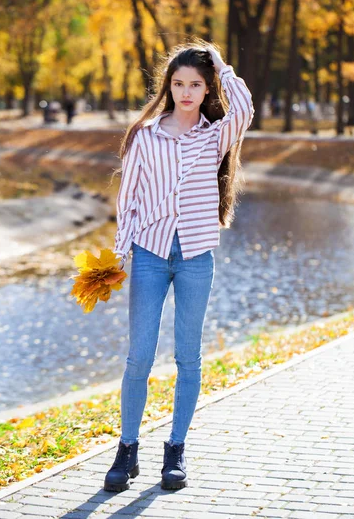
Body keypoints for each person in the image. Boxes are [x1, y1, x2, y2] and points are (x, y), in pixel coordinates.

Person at [104, 38, 254, 493]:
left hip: (195, 258)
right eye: (178, 83)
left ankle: (175, 449)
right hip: (149, 255)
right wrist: (119, 252)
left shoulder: (214, 135)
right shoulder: (144, 136)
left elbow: (244, 109)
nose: (186, 91)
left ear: (206, 89)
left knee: (188, 357)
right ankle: (127, 451)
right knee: (139, 356)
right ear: (168, 87)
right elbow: (128, 199)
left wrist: (221, 63)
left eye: (195, 84)